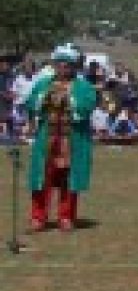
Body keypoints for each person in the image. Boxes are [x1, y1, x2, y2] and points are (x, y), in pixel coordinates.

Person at [25, 43, 96, 232]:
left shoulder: (84, 86)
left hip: (72, 140)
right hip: (46, 139)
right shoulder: (43, 83)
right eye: (59, 64)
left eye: (67, 65)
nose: (63, 68)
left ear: (74, 66)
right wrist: (42, 99)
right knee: (42, 179)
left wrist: (70, 101)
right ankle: (38, 217)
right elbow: (30, 103)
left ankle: (66, 217)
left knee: (68, 180)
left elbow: (87, 107)